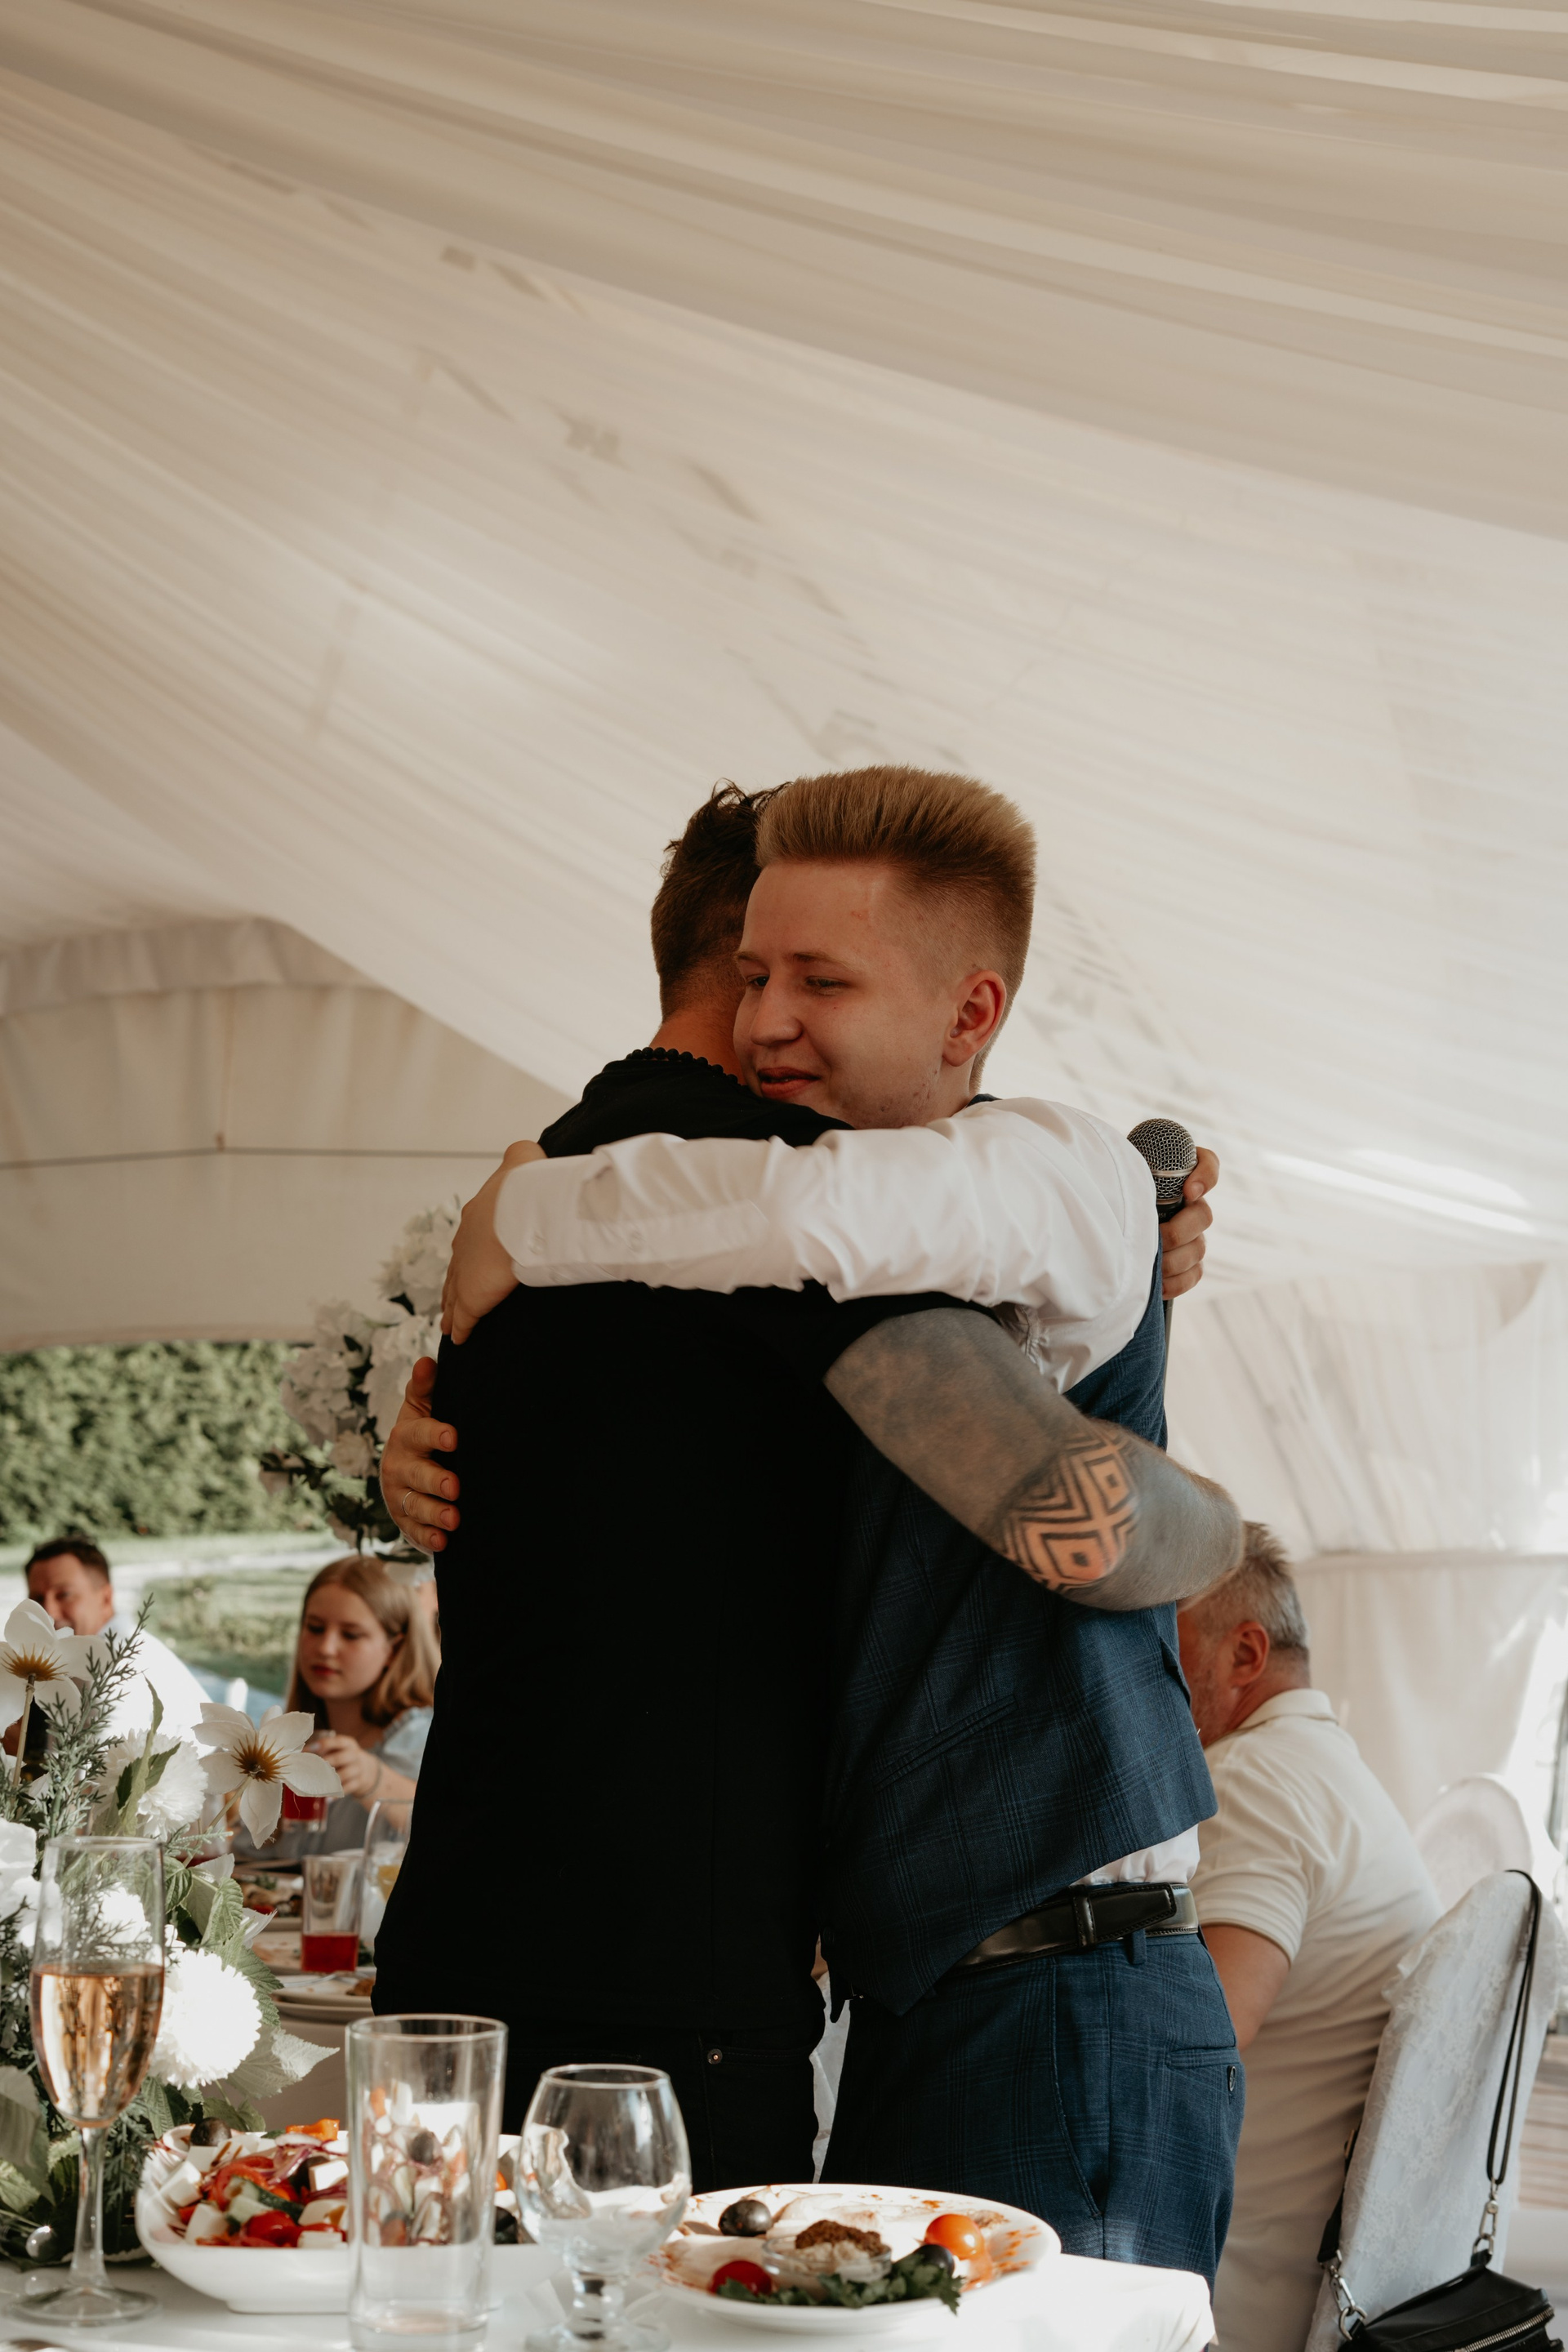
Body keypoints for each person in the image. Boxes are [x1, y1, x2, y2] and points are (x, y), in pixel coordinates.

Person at [378, 766, 1243, 2257]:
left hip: (1061, 1986)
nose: (769, 1019)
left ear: (969, 1012)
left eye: (820, 981)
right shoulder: (833, 1208)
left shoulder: (1022, 1169)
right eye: (757, 974)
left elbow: (823, 1223)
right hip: (916, 1997)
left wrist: (524, 1209)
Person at [1178, 1525, 1440, 2351]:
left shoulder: (1250, 1777)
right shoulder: (1334, 1771)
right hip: (1337, 2279)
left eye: (1162, 1649)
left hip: (1239, 2288)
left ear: (1244, 1654)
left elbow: (1202, 2035)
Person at [256, 1555, 438, 1860]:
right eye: (315, 1628)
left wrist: (373, 1780)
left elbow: (456, 1832)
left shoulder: (423, 1737)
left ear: (394, 1649)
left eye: (351, 1635)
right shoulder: (292, 1740)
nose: (326, 1648)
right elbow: (256, 1860)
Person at [24, 1536, 209, 1735]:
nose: (49, 1612)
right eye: (38, 1599)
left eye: (65, 1595)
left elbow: (96, 1755)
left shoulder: (111, 1663)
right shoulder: (83, 1654)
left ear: (105, 1598)